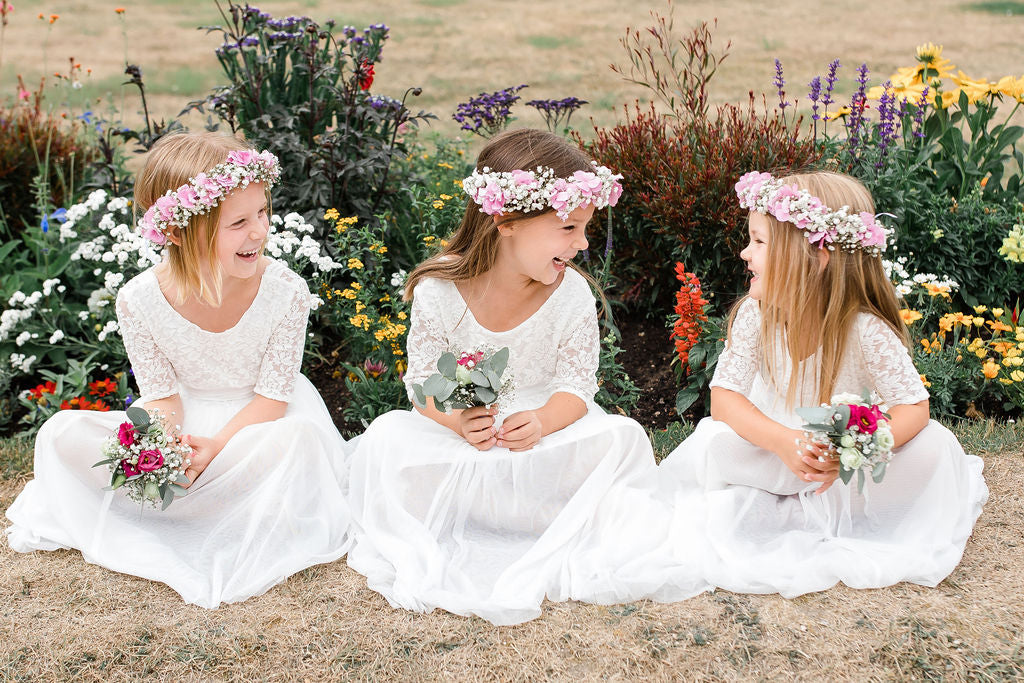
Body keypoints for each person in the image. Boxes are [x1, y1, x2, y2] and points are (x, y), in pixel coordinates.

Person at [344, 129, 707, 625]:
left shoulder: (570, 295)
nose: (581, 244)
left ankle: (521, 513)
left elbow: (576, 390)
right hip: (470, 438)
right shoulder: (441, 290)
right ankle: (496, 514)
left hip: (542, 437)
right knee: (386, 440)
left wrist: (541, 421)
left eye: (585, 230)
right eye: (569, 229)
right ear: (505, 220)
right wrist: (457, 423)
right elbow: (422, 385)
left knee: (619, 438)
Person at [6, 132, 353, 608]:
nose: (258, 231)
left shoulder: (285, 290)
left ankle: (207, 503)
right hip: (187, 419)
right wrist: (161, 448)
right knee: (60, 433)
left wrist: (216, 448)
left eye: (262, 213)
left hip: (261, 423)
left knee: (295, 446)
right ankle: (193, 500)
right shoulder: (139, 299)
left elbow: (274, 397)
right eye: (238, 222)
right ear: (178, 232)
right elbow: (163, 396)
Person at [659, 170, 989, 596]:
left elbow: (913, 407)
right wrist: (781, 440)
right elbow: (725, 400)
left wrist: (852, 453)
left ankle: (821, 504)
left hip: (836, 460)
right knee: (717, 444)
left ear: (816, 258)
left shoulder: (865, 330)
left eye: (759, 242)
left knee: (934, 449)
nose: (745, 253)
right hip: (774, 445)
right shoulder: (754, 317)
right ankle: (793, 503)